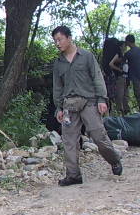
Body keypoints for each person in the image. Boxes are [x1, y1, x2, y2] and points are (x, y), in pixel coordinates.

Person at [52, 26, 123, 186]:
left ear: (69, 38)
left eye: (60, 39)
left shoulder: (86, 56)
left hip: (89, 102)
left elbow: (97, 77)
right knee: (69, 140)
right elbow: (57, 87)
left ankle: (114, 160)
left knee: (98, 135)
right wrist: (59, 108)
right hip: (69, 105)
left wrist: (102, 99)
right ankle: (73, 175)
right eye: (55, 41)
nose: (57, 43)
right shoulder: (58, 63)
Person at [101, 37, 124, 115]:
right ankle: (116, 114)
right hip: (112, 77)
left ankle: (108, 114)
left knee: (107, 97)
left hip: (105, 78)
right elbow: (111, 64)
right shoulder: (116, 53)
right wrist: (120, 70)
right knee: (115, 97)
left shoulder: (105, 56)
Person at [109, 41, 130, 115]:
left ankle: (126, 111)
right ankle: (119, 112)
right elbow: (111, 64)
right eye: (124, 45)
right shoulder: (118, 54)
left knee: (126, 95)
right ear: (120, 46)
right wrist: (120, 70)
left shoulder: (124, 55)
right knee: (120, 95)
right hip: (120, 77)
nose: (126, 47)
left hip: (125, 77)